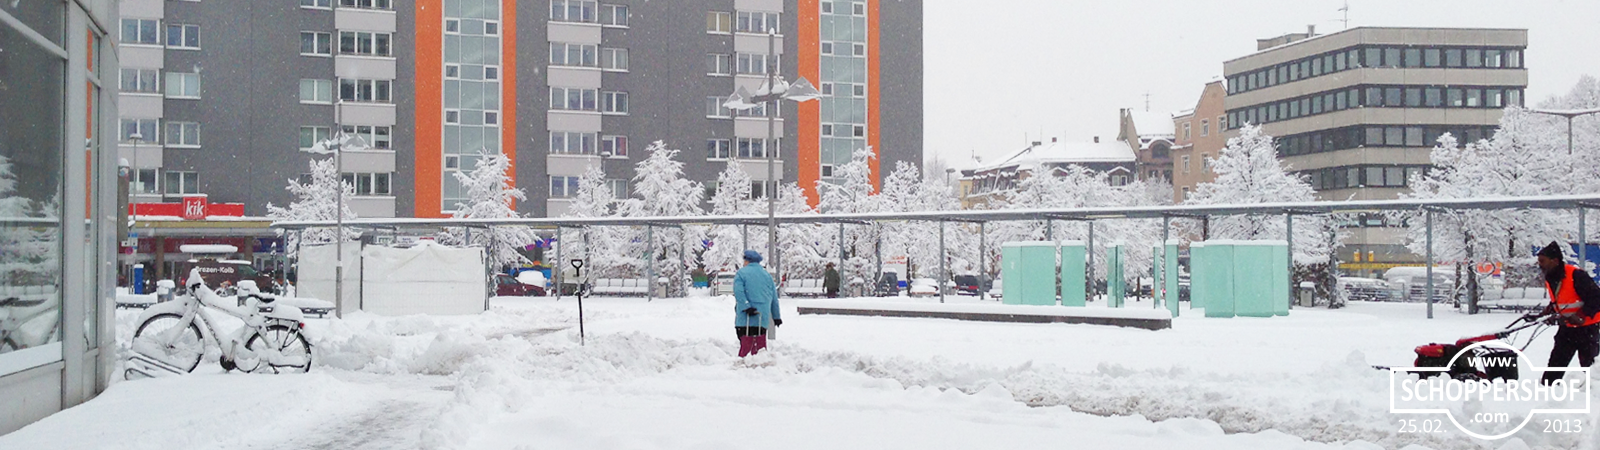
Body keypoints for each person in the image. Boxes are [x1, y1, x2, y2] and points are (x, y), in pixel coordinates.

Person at [1536, 241, 1600, 385]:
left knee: (1589, 367)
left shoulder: (1576, 275)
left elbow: (1596, 298)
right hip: (1567, 328)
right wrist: (1549, 311)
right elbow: (1562, 300)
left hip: (1587, 328)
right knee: (1556, 364)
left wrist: (1580, 316)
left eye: (1542, 261)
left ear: (1555, 261)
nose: (1539, 265)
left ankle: (1593, 391)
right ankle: (1548, 388)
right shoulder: (1551, 278)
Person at [733, 250, 781, 357]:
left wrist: (746, 307)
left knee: (745, 344)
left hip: (745, 318)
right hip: (762, 318)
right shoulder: (767, 276)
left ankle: (744, 362)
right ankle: (759, 362)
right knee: (759, 346)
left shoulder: (741, 273)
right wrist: (776, 316)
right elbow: (774, 298)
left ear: (747, 261)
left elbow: (739, 292)